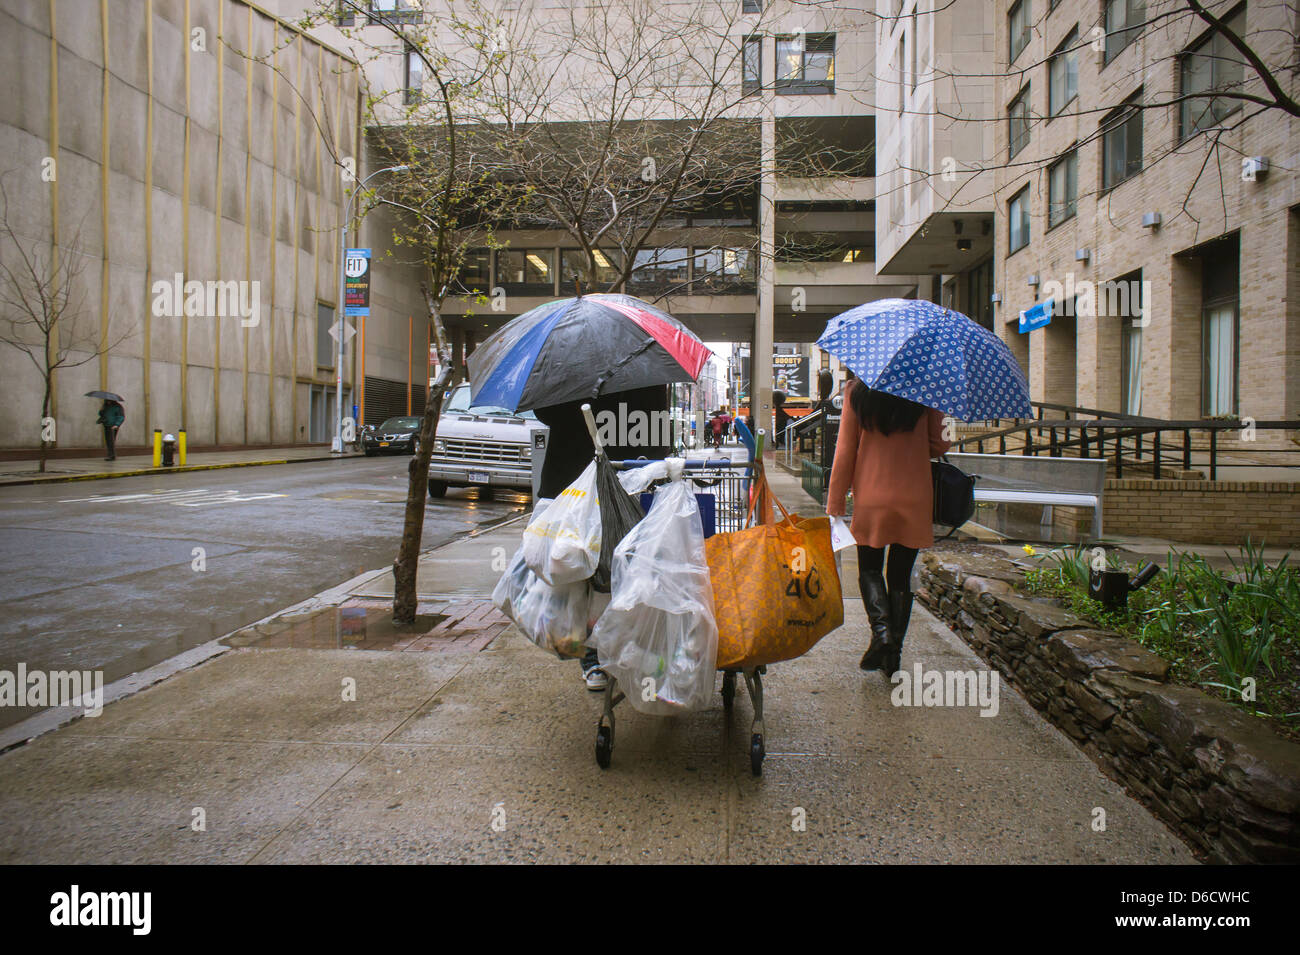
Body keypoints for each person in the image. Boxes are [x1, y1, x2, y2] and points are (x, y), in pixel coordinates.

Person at [534, 384, 671, 690]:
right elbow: (657, 419)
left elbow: (546, 413)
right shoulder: (643, 359)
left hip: (601, 475)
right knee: (606, 568)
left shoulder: (570, 365)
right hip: (612, 475)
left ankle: (600, 654)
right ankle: (607, 650)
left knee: (596, 570)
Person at [825, 381, 950, 676]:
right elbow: (942, 443)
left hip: (872, 495)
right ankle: (893, 655)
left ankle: (881, 634)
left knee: (869, 569)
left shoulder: (857, 391)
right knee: (900, 576)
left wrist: (835, 503)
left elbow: (845, 450)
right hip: (915, 494)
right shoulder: (926, 388)